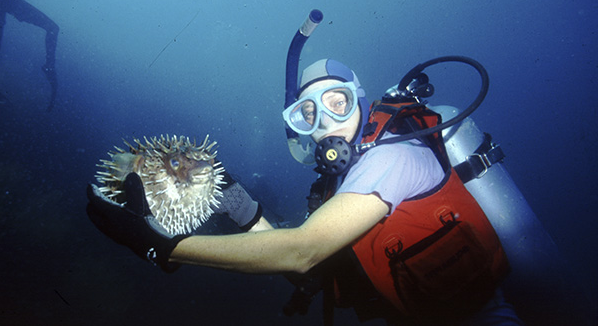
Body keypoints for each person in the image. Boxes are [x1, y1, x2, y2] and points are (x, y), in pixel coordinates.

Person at [87, 59, 523, 325]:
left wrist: (162, 246)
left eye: (338, 102)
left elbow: (301, 251)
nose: (326, 122)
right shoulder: (344, 183)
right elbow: (310, 274)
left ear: (361, 101)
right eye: (307, 113)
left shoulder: (393, 157)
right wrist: (246, 210)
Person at [0, 0, 77, 111]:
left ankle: (49, 66)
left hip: (11, 1)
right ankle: (49, 67)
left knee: (52, 28)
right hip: (6, 1)